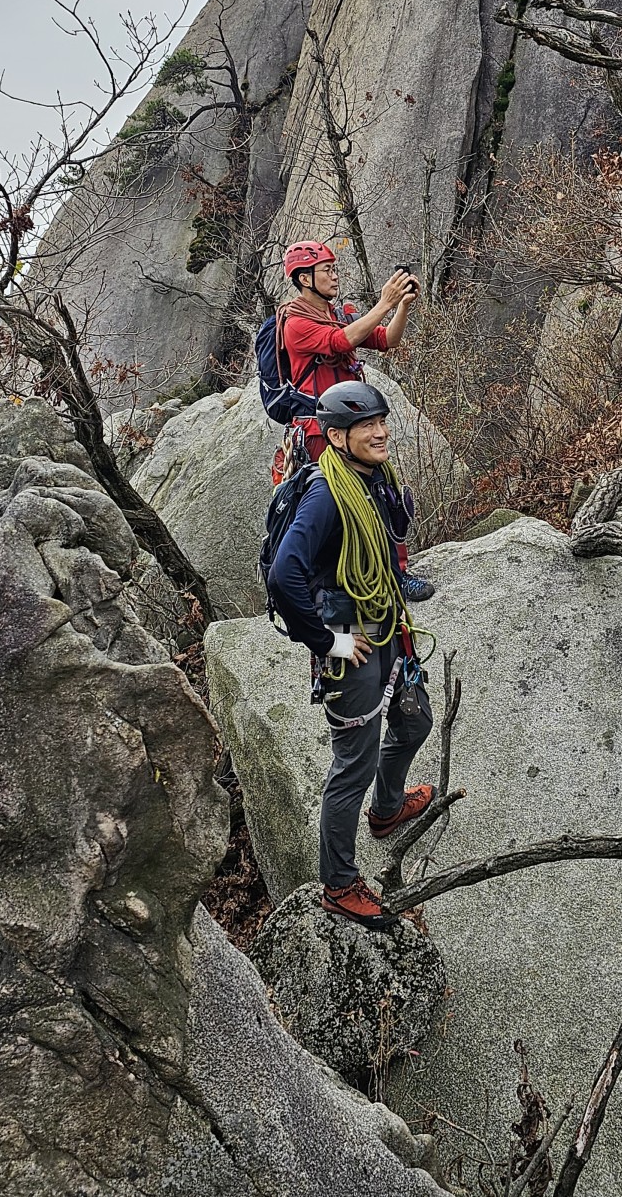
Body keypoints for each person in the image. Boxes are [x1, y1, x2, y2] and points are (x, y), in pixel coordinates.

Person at [267, 380, 434, 928]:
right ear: (336, 436)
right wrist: (329, 641)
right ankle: (338, 884)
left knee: (414, 721)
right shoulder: (325, 493)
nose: (380, 432)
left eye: (382, 421)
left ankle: (386, 811)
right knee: (352, 765)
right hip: (350, 641)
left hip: (385, 623)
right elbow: (283, 575)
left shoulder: (373, 479)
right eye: (366, 425)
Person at [278, 240, 434, 602]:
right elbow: (341, 341)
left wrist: (402, 307)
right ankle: (333, 582)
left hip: (354, 422)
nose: (334, 276)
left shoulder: (338, 312)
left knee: (382, 491)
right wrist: (384, 303)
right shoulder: (296, 323)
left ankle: (397, 573)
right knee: (334, 503)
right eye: (326, 270)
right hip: (322, 431)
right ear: (304, 278)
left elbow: (386, 339)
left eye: (334, 268)